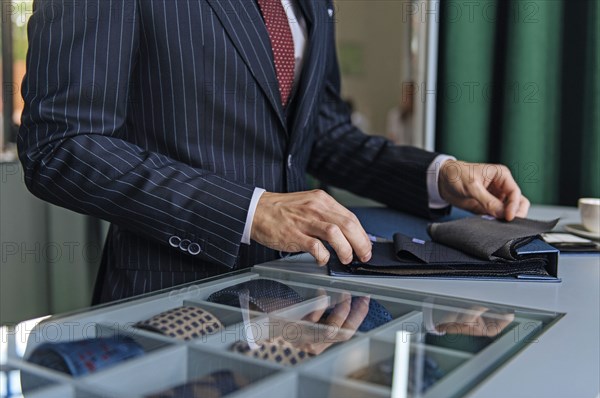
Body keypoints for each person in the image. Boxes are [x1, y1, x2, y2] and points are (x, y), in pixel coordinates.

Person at [17, 0, 529, 304]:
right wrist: (250, 210)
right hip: (167, 305)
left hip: (300, 306)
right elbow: (60, 145)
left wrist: (440, 174)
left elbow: (322, 134)